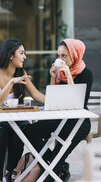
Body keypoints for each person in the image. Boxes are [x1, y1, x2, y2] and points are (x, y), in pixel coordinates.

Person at [25, 38, 93, 181]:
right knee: (29, 133)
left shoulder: (86, 74)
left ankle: (53, 171)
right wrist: (53, 78)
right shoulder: (58, 74)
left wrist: (68, 75)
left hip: (78, 121)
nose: (60, 59)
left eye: (64, 56)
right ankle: (58, 166)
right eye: (59, 56)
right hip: (58, 118)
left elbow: (78, 104)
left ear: (75, 55)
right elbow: (52, 100)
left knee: (59, 153)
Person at [0, 38, 45, 182]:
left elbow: (36, 95)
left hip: (14, 118)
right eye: (21, 53)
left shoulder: (21, 72)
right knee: (1, 134)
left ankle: (9, 173)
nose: (25, 57)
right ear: (11, 55)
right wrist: (11, 82)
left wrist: (57, 102)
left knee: (19, 134)